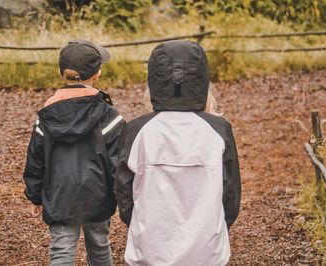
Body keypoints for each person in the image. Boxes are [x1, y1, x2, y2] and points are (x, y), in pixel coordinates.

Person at [115, 40, 241, 266]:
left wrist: (139, 226)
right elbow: (230, 193)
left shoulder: (137, 130)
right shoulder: (218, 130)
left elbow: (124, 192)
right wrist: (217, 228)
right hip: (206, 249)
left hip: (150, 249)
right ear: (201, 78)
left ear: (154, 78)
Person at [23, 39, 125, 266]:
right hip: (97, 195)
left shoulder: (47, 115)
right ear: (97, 75)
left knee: (61, 250)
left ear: (62, 73)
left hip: (59, 195)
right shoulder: (109, 116)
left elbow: (35, 159)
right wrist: (122, 196)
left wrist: (35, 194)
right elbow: (118, 162)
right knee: (99, 247)